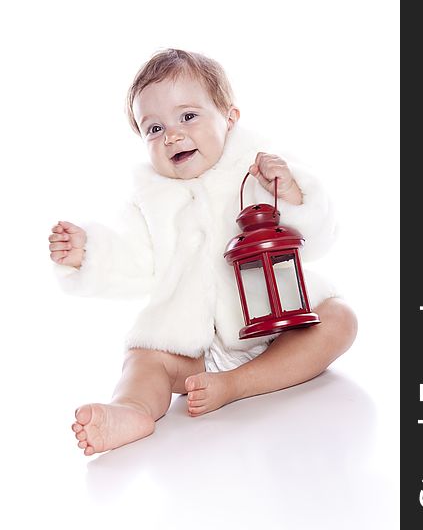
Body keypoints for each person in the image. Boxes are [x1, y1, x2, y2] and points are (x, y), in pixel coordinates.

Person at [49, 48, 357, 456]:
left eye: (188, 116)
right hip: (195, 349)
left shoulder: (258, 168)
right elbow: (135, 261)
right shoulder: (149, 200)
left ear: (230, 119)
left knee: (339, 319)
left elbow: (317, 237)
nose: (172, 135)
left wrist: (294, 192)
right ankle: (132, 409)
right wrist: (87, 254)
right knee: (144, 358)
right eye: (153, 128)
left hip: (281, 321)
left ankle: (240, 383)